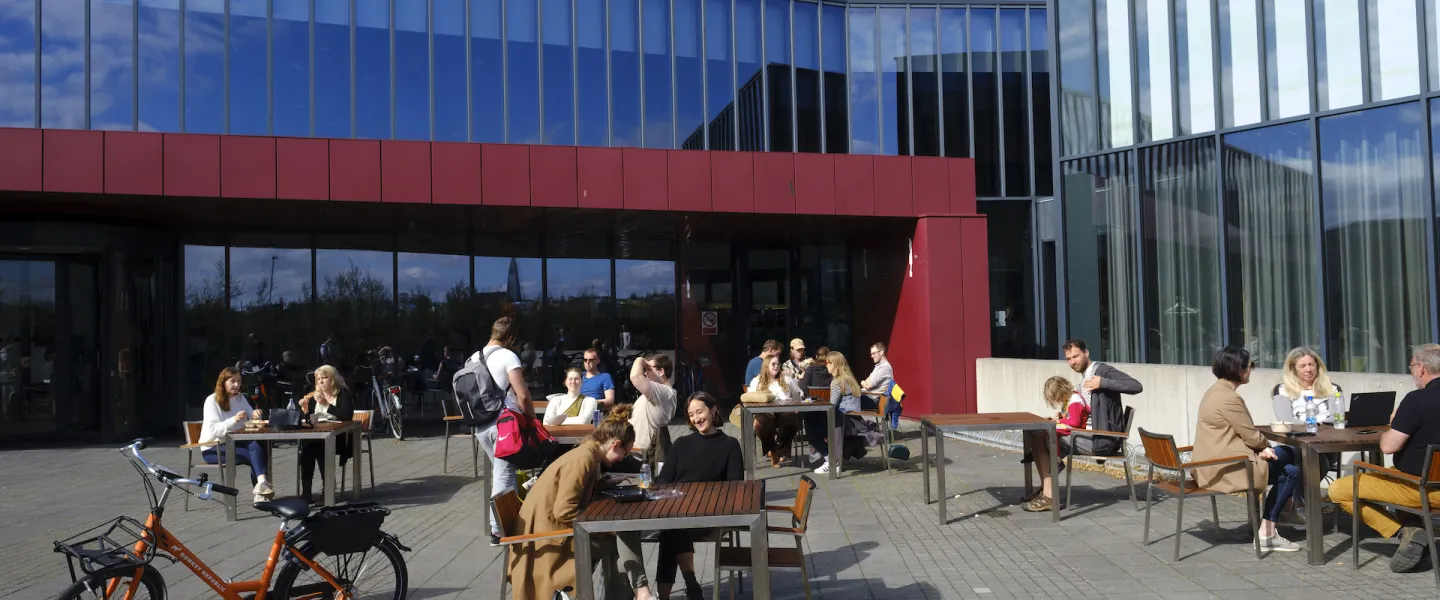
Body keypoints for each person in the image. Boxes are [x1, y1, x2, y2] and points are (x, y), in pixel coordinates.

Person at [506, 407, 653, 600]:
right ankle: (641, 592)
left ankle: (639, 592)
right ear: (615, 444)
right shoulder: (583, 459)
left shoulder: (586, 453)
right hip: (550, 540)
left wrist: (604, 483)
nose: (622, 459)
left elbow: (574, 491)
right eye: (625, 453)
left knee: (622, 534)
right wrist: (602, 529)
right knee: (623, 536)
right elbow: (564, 511)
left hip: (548, 532)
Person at [1329, 344, 1440, 573]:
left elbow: (1388, 447)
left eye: (1411, 367)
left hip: (1422, 488)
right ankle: (1415, 533)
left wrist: (1395, 423)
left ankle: (1404, 533)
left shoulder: (1418, 400)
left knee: (1339, 490)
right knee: (1398, 477)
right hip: (1420, 484)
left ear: (1421, 368)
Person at [1192, 346, 1302, 552]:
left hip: (1213, 462)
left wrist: (1261, 449)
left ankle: (1272, 526)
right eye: (1250, 366)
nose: (1252, 369)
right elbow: (1250, 435)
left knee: (1289, 467)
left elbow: (1240, 434)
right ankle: (1277, 522)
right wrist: (1265, 447)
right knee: (1290, 461)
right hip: (1225, 468)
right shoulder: (1229, 398)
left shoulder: (1214, 391)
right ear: (1239, 369)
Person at [654, 392, 743, 600]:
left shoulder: (730, 445)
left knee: (671, 531)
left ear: (713, 410)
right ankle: (691, 584)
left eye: (700, 412)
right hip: (679, 511)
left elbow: (735, 486)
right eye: (691, 415)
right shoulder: (681, 444)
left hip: (711, 513)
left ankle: (672, 592)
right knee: (673, 528)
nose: (696, 419)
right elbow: (663, 480)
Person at [471, 317, 536, 546]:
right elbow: (523, 394)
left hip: (481, 426)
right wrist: (532, 419)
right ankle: (499, 530)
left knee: (503, 472)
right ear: (511, 338)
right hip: (504, 425)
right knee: (503, 476)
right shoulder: (508, 356)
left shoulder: (473, 358)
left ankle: (512, 519)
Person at [199, 367, 273, 504]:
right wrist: (234, 420)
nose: (236, 385)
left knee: (258, 446)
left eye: (239, 381)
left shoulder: (240, 398)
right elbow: (214, 430)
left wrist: (255, 414)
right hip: (213, 448)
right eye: (232, 381)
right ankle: (261, 493)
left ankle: (261, 488)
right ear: (223, 382)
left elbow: (251, 416)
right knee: (255, 454)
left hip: (235, 442)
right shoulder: (212, 401)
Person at [1062, 338, 1142, 456]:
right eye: (1069, 359)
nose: (1072, 362)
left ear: (1086, 353)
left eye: (1075, 356)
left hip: (1102, 439)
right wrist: (1065, 415)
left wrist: (1103, 382)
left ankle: (1054, 466)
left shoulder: (1102, 370)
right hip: (1088, 434)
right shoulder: (1085, 377)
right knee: (1043, 436)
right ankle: (1054, 466)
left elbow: (1136, 386)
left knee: (1048, 439)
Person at [1021, 377, 1088, 512]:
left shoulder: (1075, 402)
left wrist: (1058, 422)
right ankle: (1038, 458)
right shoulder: (1070, 400)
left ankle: (1055, 460)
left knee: (1047, 433)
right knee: (1039, 434)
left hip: (1076, 433)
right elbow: (1070, 417)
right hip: (1073, 430)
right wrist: (1060, 418)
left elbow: (1074, 422)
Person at [296, 365, 355, 503]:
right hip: (317, 434)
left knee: (322, 448)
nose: (321, 381)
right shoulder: (313, 396)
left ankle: (327, 491)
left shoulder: (343, 394)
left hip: (339, 436)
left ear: (333, 379)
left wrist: (326, 404)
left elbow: (346, 416)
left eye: (324, 378)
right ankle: (306, 492)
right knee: (307, 448)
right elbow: (307, 420)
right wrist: (305, 409)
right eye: (318, 379)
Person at [808, 351, 869, 475]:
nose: (826, 365)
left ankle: (830, 461)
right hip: (855, 421)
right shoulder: (850, 379)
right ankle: (831, 460)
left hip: (844, 423)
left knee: (811, 426)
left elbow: (832, 406)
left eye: (828, 363)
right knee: (815, 421)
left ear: (834, 364)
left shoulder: (837, 382)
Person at [749, 355, 803, 469]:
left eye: (778, 364)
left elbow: (798, 393)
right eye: (773, 364)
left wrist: (796, 406)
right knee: (760, 424)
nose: (776, 366)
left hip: (784, 411)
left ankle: (778, 450)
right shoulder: (757, 381)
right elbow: (750, 397)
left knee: (791, 420)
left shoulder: (786, 379)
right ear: (766, 366)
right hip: (766, 412)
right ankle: (772, 450)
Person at [629, 351, 678, 468]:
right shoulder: (661, 392)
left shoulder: (665, 392)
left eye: (649, 369)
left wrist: (640, 359)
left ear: (661, 371)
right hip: (634, 452)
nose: (645, 373)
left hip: (641, 457)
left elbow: (635, 377)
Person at [1272, 347, 1341, 423]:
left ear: (1317, 366)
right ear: (1293, 369)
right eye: (1302, 366)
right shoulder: (1282, 390)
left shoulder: (1332, 388)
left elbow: (1337, 417)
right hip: (1297, 430)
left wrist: (1319, 426)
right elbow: (1286, 420)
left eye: (1311, 365)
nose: (1308, 370)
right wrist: (1311, 426)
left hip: (1328, 429)